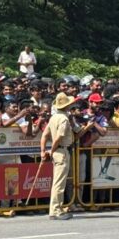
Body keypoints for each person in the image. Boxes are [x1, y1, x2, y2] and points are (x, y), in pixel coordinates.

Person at [39, 91, 75, 220]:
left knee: (58, 182)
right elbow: (59, 137)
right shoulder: (64, 119)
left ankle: (55, 209)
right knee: (59, 183)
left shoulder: (53, 117)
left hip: (58, 151)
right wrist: (52, 150)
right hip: (61, 151)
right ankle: (56, 210)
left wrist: (43, 150)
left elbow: (44, 135)